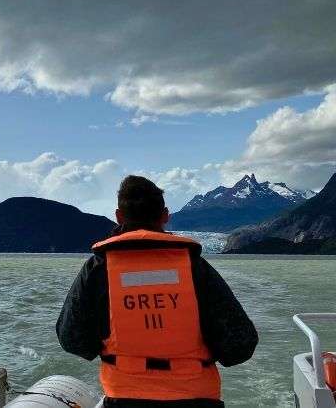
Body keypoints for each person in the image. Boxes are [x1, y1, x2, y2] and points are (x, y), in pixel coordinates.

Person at [56, 175, 258, 408]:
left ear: (119, 216)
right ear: (165, 216)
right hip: (196, 399)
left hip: (124, 398)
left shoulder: (99, 268)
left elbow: (71, 338)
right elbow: (241, 345)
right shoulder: (194, 267)